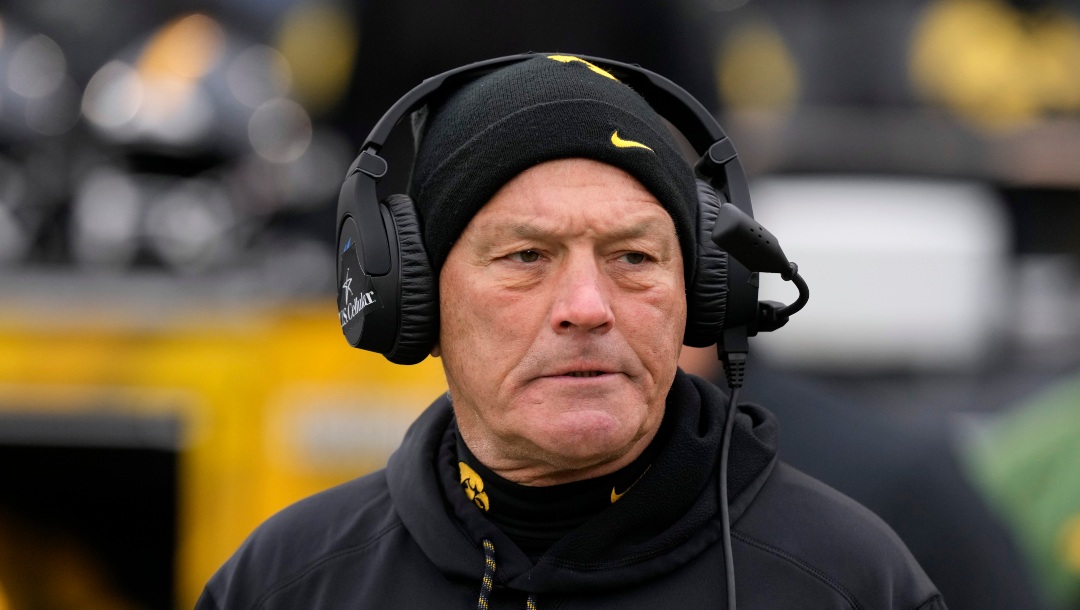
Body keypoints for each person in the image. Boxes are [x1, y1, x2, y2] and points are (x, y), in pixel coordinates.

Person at [196, 54, 946, 609]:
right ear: (415, 301)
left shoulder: (855, 583)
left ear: (706, 293)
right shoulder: (285, 582)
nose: (587, 305)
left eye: (633, 257)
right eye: (527, 256)